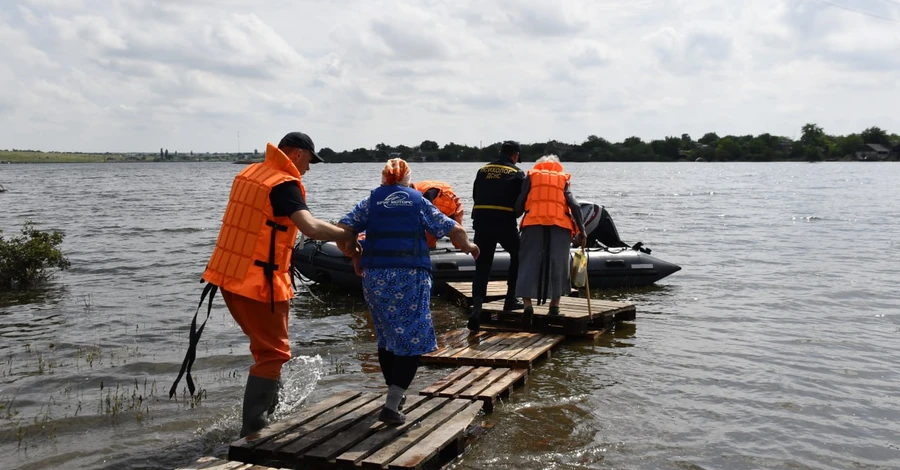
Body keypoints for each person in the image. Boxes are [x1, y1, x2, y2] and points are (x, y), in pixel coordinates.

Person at [173, 131, 359, 438]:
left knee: (267, 352)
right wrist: (346, 236)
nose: (308, 169)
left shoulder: (252, 173)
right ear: (297, 154)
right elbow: (310, 228)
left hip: (228, 277)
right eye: (309, 161)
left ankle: (271, 411)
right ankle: (255, 431)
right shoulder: (283, 184)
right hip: (257, 283)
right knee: (273, 355)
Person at [336, 158, 479, 425]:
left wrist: (355, 255)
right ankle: (392, 404)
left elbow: (343, 230)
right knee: (412, 338)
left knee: (387, 336)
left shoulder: (371, 201)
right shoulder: (417, 201)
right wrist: (470, 247)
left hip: (375, 276)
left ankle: (394, 396)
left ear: (384, 179)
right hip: (410, 276)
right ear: (407, 179)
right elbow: (455, 229)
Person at [514, 154, 586, 324]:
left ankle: (527, 305)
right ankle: (554, 307)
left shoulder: (531, 176)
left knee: (527, 261)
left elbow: (520, 202)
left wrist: (516, 214)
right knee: (558, 263)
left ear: (539, 166)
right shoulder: (562, 179)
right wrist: (582, 231)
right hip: (559, 226)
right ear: (557, 166)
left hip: (533, 224)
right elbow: (574, 205)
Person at [468, 140, 526, 331]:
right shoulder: (517, 173)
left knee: (482, 264)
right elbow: (520, 202)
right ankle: (511, 299)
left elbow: (476, 194)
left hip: (482, 222)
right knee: (518, 255)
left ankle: (477, 308)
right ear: (515, 155)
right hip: (504, 222)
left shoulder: (482, 170)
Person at [411, 180, 464, 249]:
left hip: (450, 203)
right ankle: (430, 247)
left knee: (457, 230)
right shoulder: (414, 195)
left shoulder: (424, 193)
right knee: (430, 237)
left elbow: (428, 213)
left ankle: (462, 246)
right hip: (438, 206)